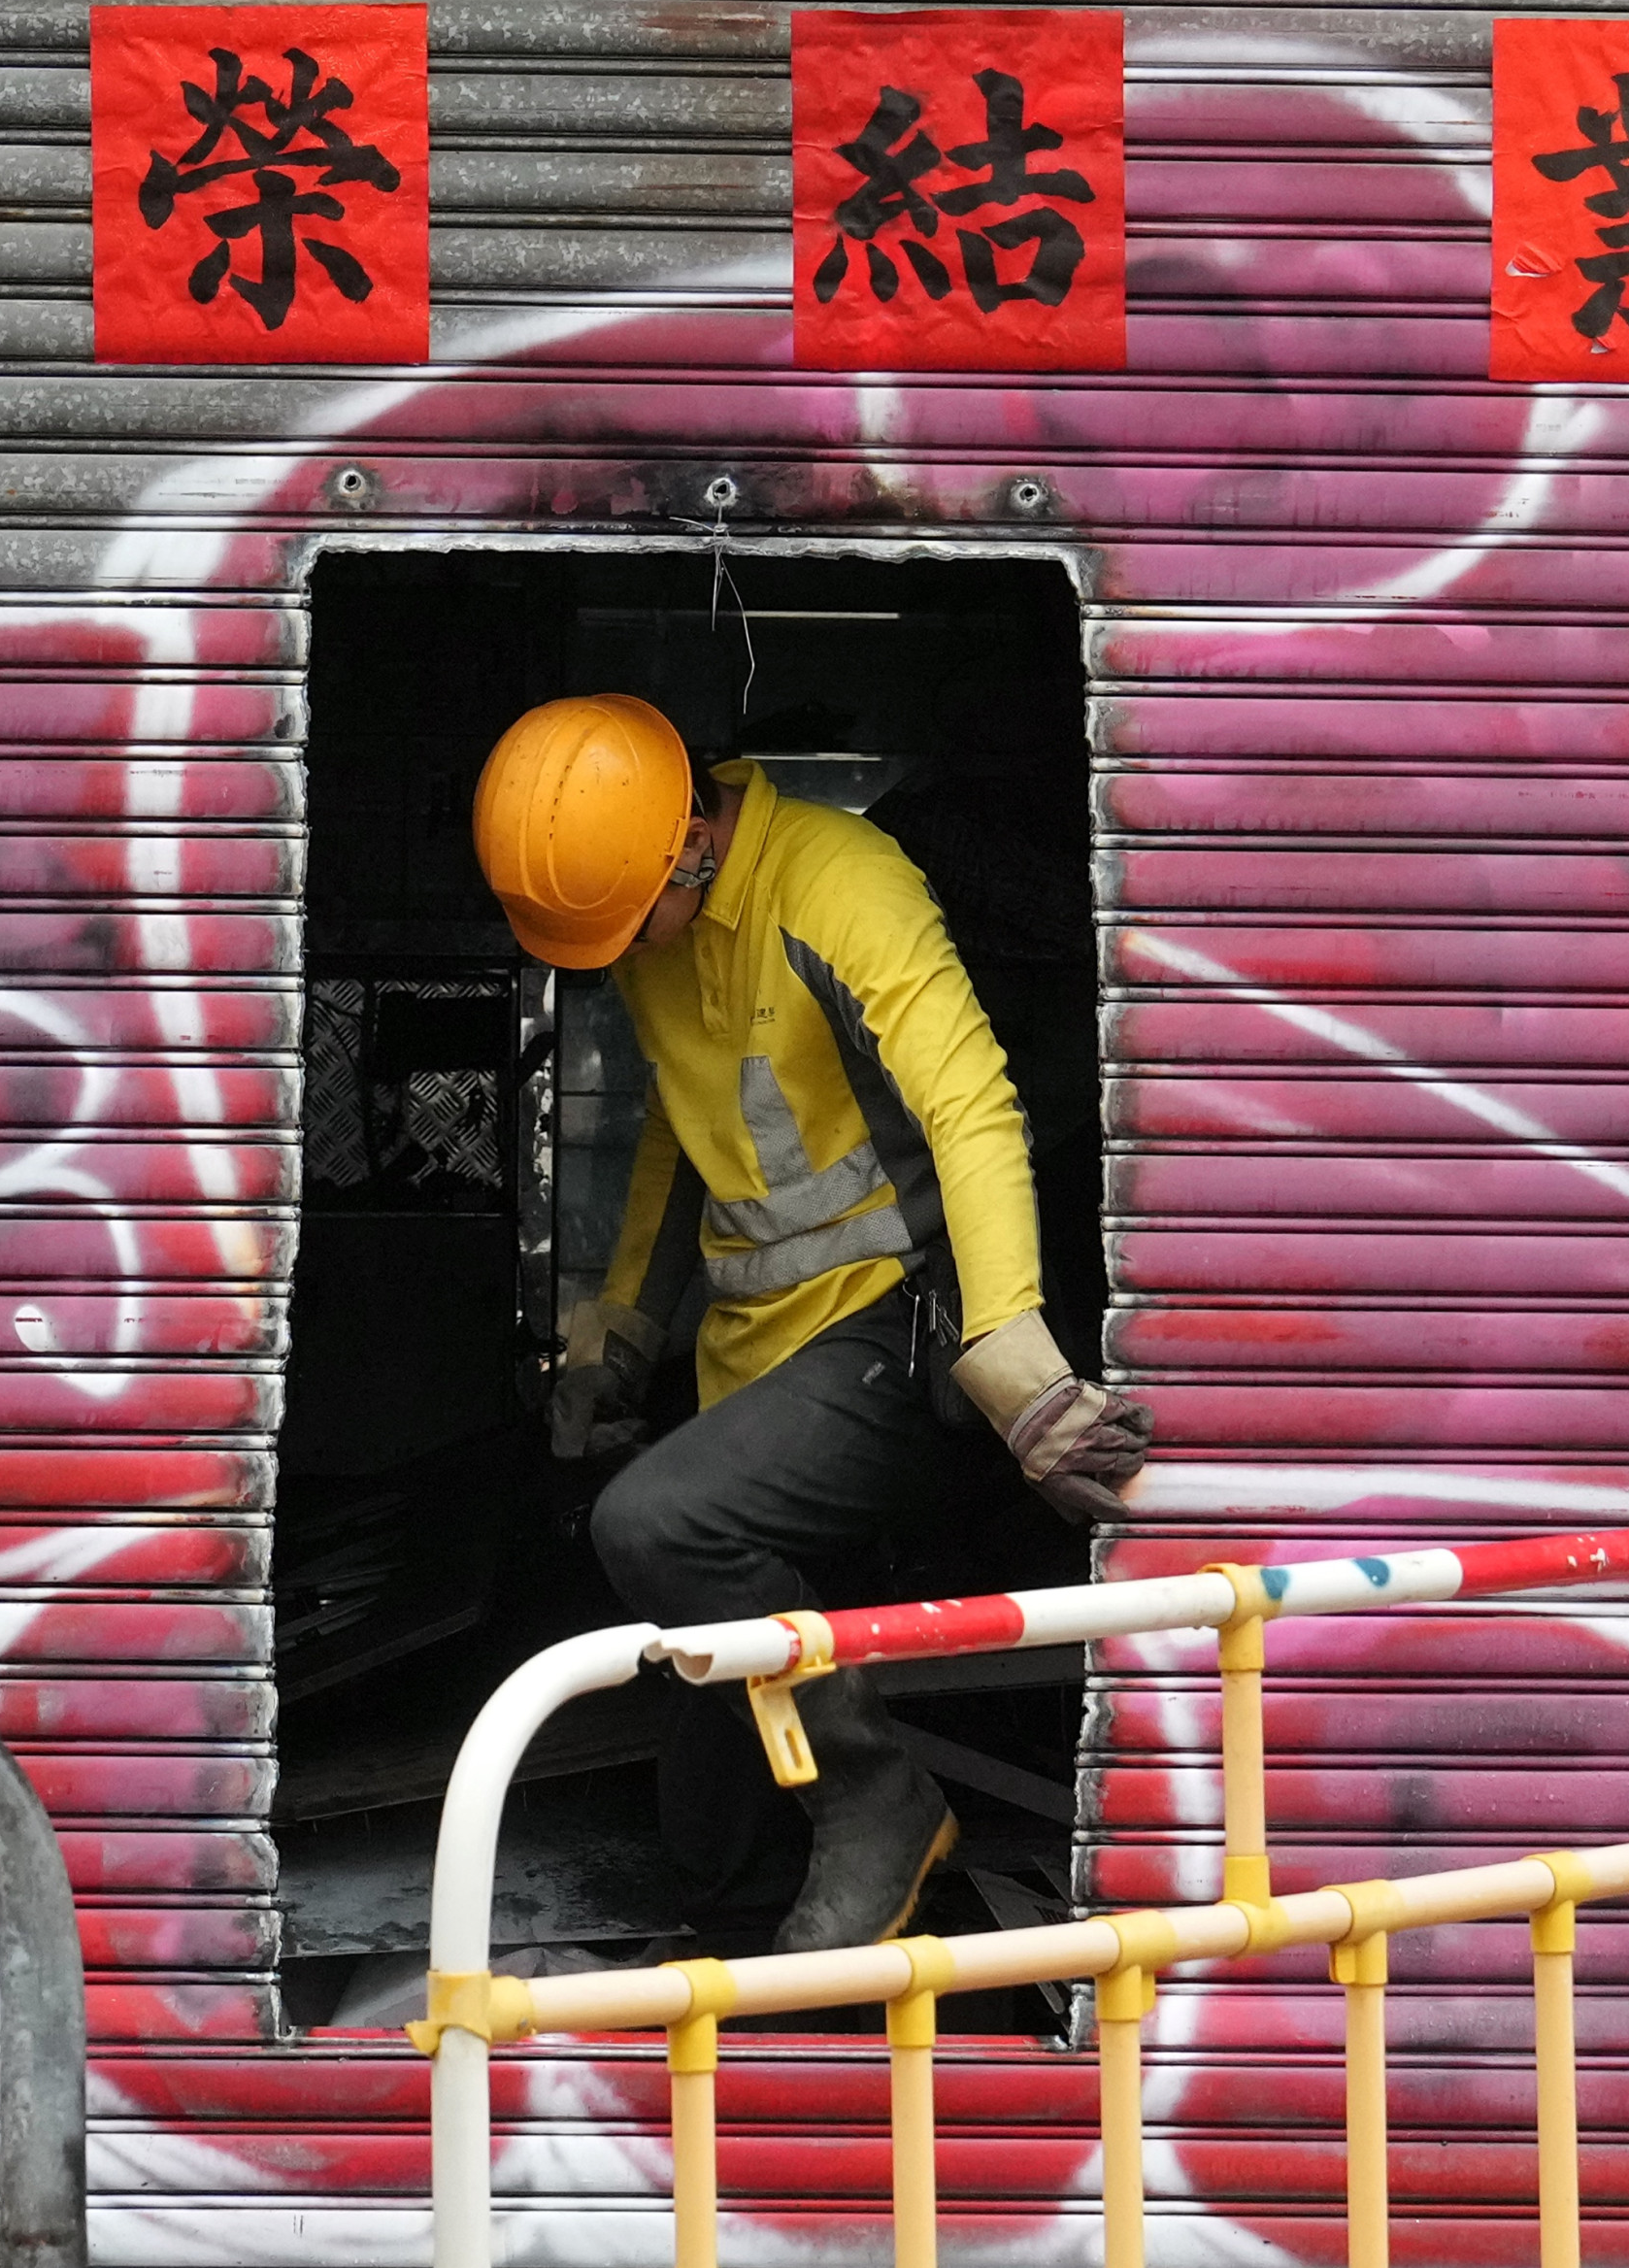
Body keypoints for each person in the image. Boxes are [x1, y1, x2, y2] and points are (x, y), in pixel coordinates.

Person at [472, 692, 1155, 1951]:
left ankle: (879, 1802)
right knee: (706, 1743)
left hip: (896, 1337)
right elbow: (684, 1124)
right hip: (761, 1360)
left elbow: (972, 1106)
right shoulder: (662, 932)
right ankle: (767, 2013)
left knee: (659, 1522)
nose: (621, 956)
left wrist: (1008, 1341)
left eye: (628, 924)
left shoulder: (842, 884)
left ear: (689, 845)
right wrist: (624, 1318)